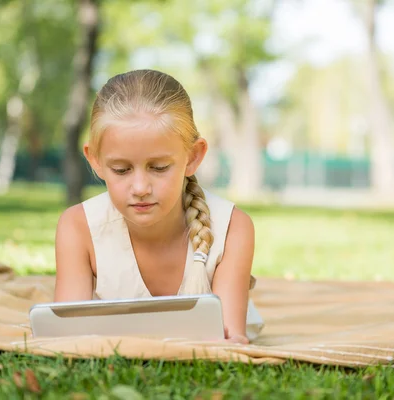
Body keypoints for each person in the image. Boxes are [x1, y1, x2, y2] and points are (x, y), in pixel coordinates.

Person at [53, 69, 264, 344]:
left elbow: (227, 338)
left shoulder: (232, 228)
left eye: (159, 167)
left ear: (193, 156)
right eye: (121, 169)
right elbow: (67, 336)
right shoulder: (78, 227)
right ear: (95, 160)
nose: (140, 188)